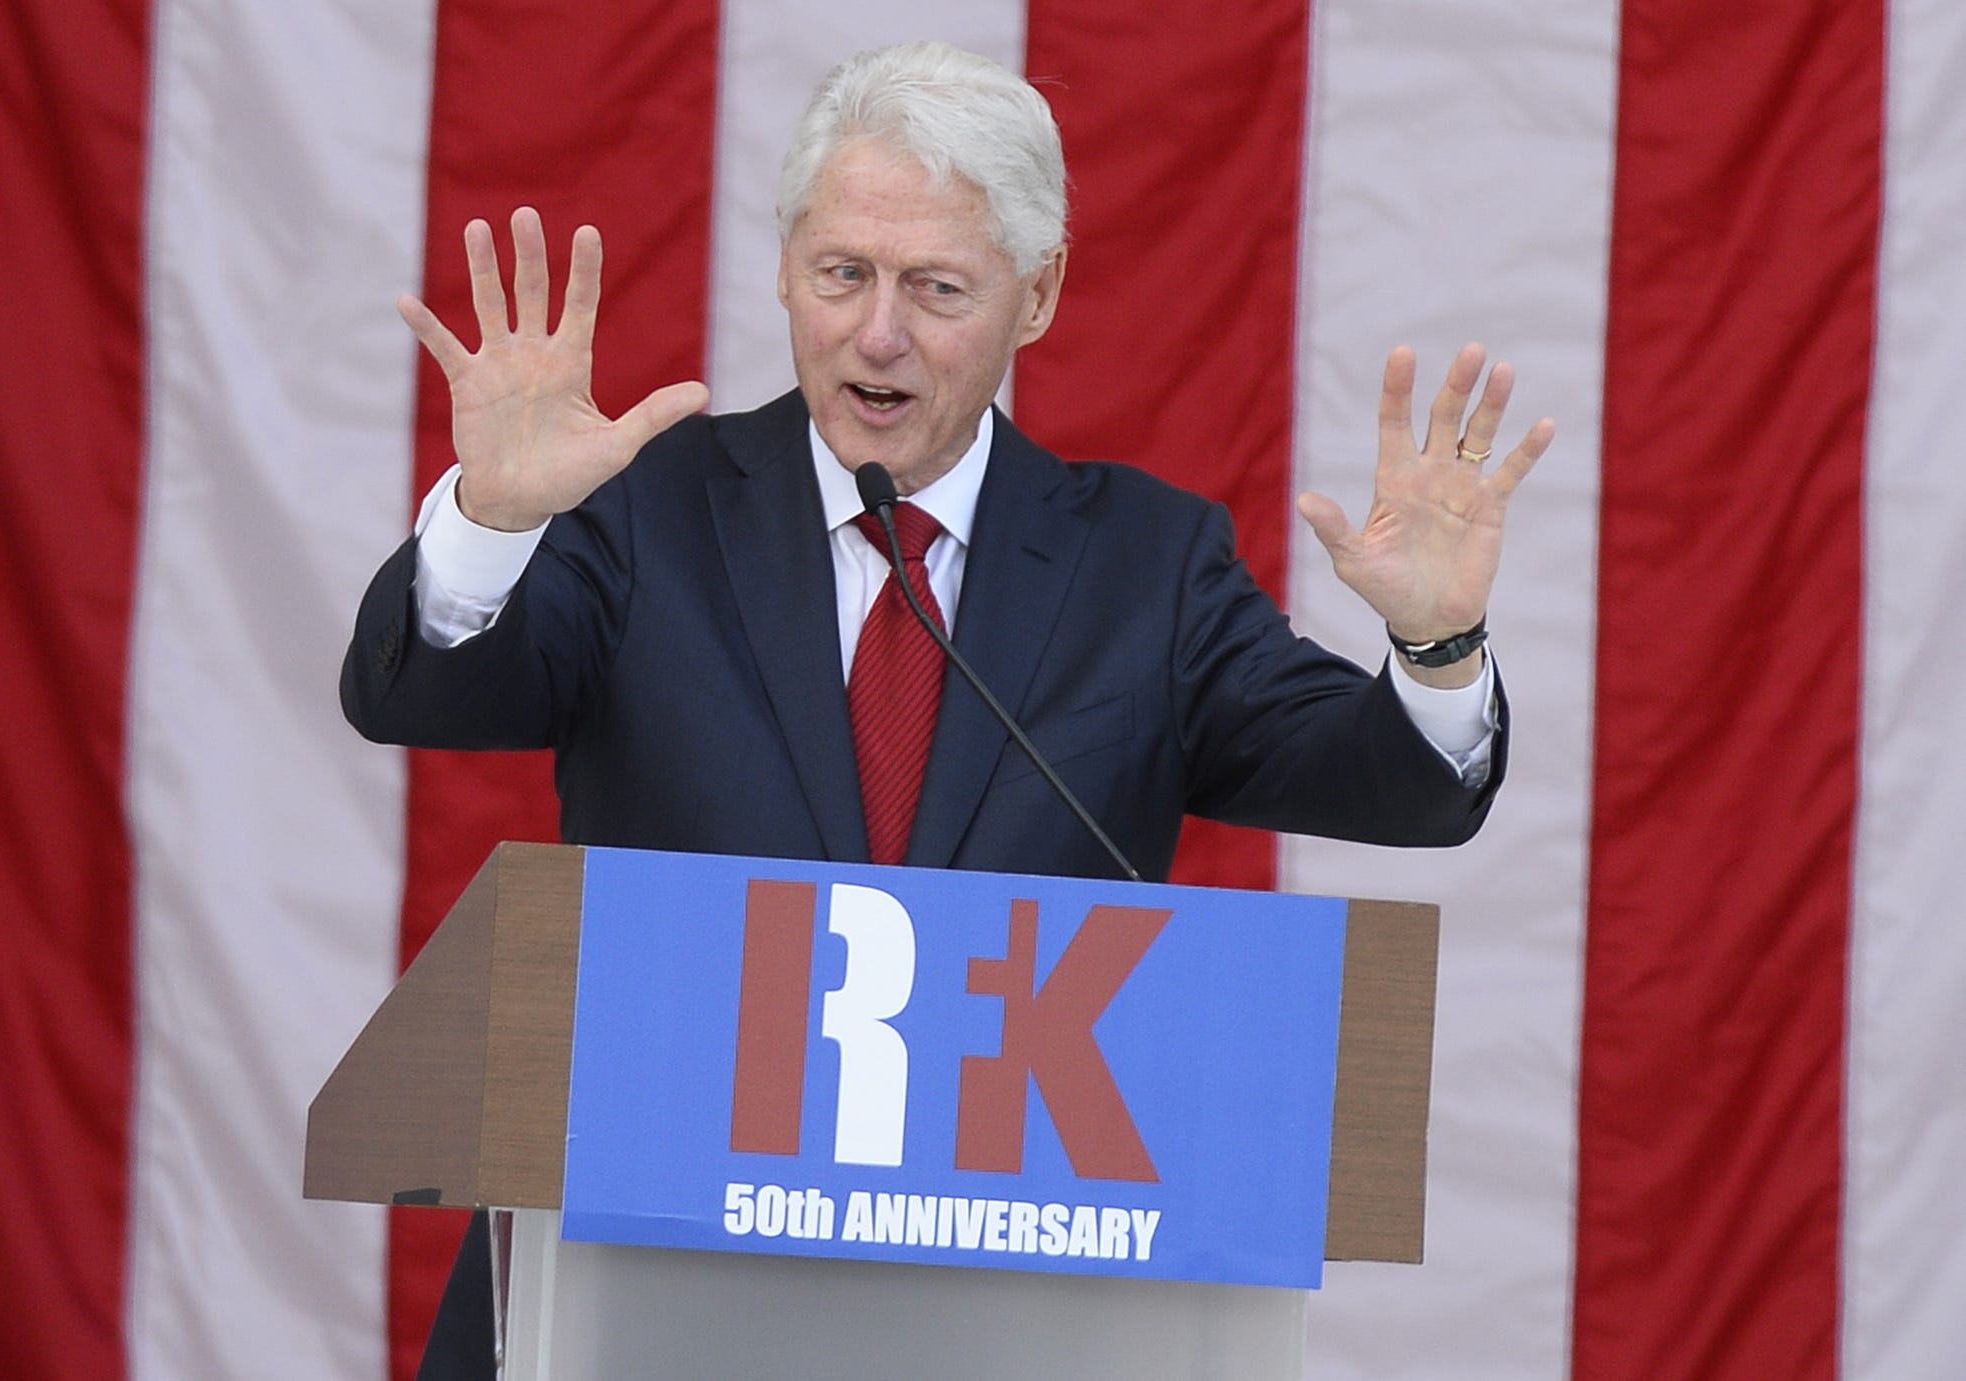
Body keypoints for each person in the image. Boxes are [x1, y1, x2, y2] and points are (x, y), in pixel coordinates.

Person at [341, 40, 1549, 1381]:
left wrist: (1437, 639)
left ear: (1036, 297)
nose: (877, 332)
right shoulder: (645, 511)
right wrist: (491, 522)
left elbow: (1403, 784)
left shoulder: (1144, 571)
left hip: (1013, 1315)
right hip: (639, 1284)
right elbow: (422, 690)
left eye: (936, 288)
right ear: (788, 266)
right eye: (842, 273)